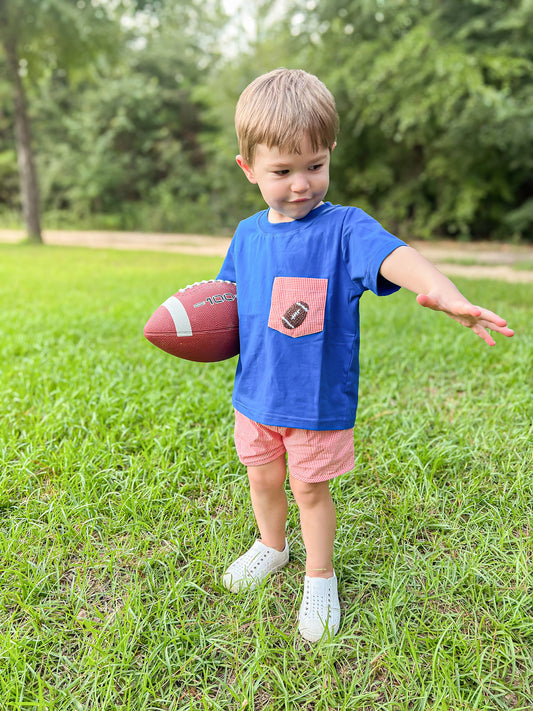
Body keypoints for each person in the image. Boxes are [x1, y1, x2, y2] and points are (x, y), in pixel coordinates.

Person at [216, 68, 514, 642]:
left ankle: (319, 574)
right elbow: (226, 300)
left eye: (315, 165)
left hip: (315, 402)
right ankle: (271, 547)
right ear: (248, 169)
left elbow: (396, 255)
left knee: (309, 489)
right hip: (254, 395)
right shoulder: (247, 234)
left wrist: (446, 292)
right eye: (282, 171)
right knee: (262, 479)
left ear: (330, 152)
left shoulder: (345, 229)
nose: (301, 183)